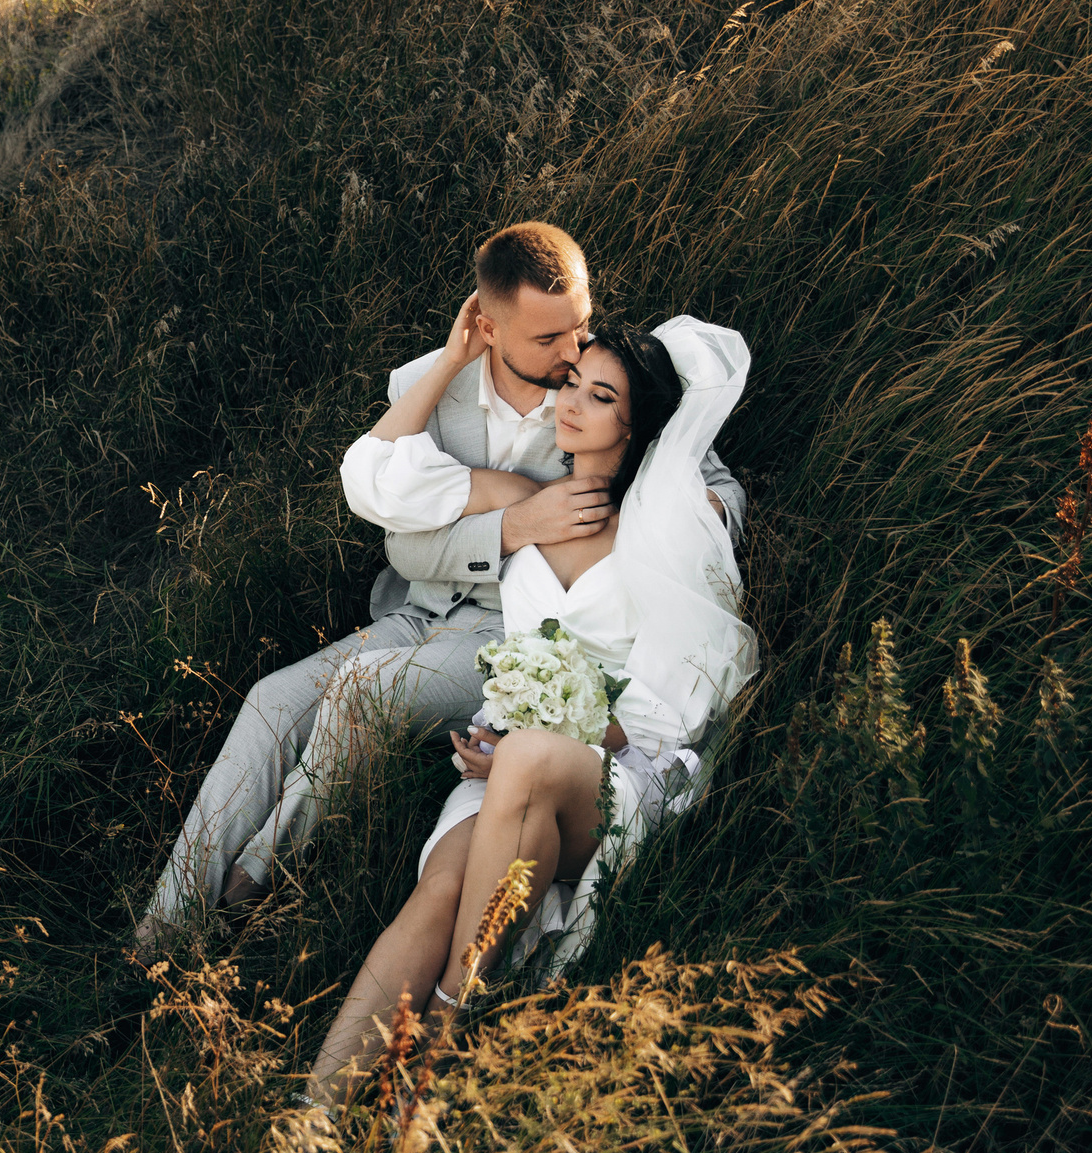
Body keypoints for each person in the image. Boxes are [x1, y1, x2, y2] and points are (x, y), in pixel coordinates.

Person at [132, 221, 746, 948]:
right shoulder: (426, 389)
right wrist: (515, 521)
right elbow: (404, 544)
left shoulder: (595, 386)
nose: (573, 352)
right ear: (489, 326)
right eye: (549, 340)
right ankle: (163, 931)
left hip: (512, 633)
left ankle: (257, 879)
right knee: (271, 700)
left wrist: (704, 514)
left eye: (578, 327)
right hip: (420, 608)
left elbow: (707, 477)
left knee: (365, 688)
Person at [305, 311, 758, 1108]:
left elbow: (688, 704)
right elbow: (381, 476)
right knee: (439, 895)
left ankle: (442, 1032)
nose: (571, 404)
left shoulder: (664, 532)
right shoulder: (529, 501)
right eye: (572, 384)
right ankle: (309, 1123)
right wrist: (496, 730)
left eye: (602, 396)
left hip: (622, 768)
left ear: (636, 426)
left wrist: (541, 735)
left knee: (529, 758)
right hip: (515, 761)